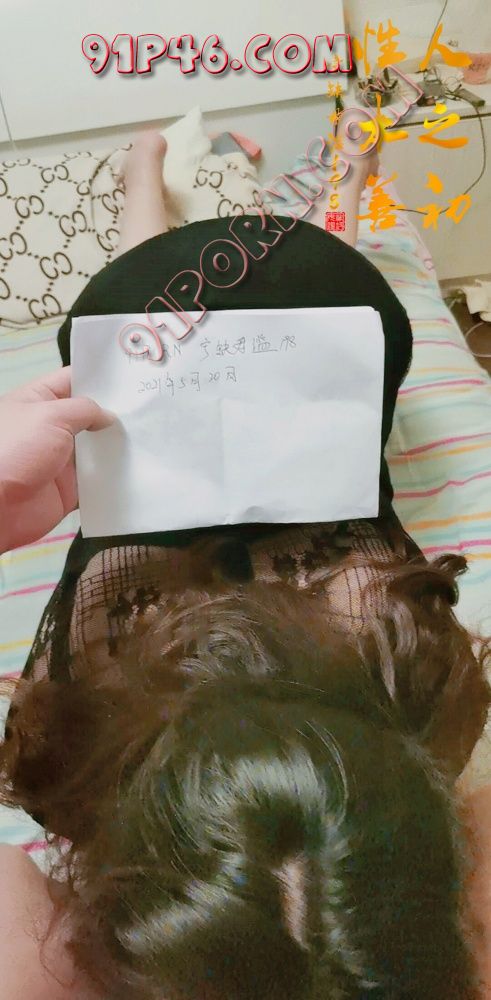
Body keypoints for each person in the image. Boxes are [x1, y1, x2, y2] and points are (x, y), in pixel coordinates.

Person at [0, 131, 490, 1000]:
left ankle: (149, 180)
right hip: (317, 338)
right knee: (301, 309)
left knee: (154, 324)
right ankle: (333, 187)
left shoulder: (39, 940)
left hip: (162, 406)